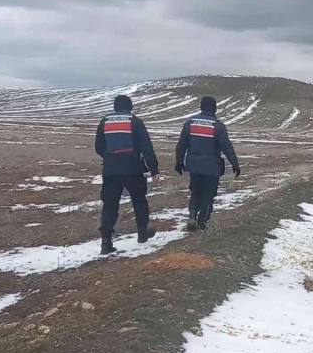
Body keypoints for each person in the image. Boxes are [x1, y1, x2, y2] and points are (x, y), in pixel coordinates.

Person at [94, 95, 159, 255]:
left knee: (110, 204)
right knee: (139, 200)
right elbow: (147, 148)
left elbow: (98, 146)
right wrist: (154, 170)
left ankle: (106, 241)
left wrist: (111, 158)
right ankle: (142, 232)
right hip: (133, 168)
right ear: (129, 107)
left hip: (110, 170)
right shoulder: (135, 121)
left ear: (115, 107)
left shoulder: (105, 121)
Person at [175, 96, 240, 231]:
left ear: (201, 107)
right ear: (214, 108)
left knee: (195, 192)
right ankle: (202, 223)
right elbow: (227, 147)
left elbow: (181, 145)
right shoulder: (217, 126)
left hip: (193, 165)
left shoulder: (190, 123)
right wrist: (235, 164)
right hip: (211, 166)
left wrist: (179, 162)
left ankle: (192, 215)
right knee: (208, 195)